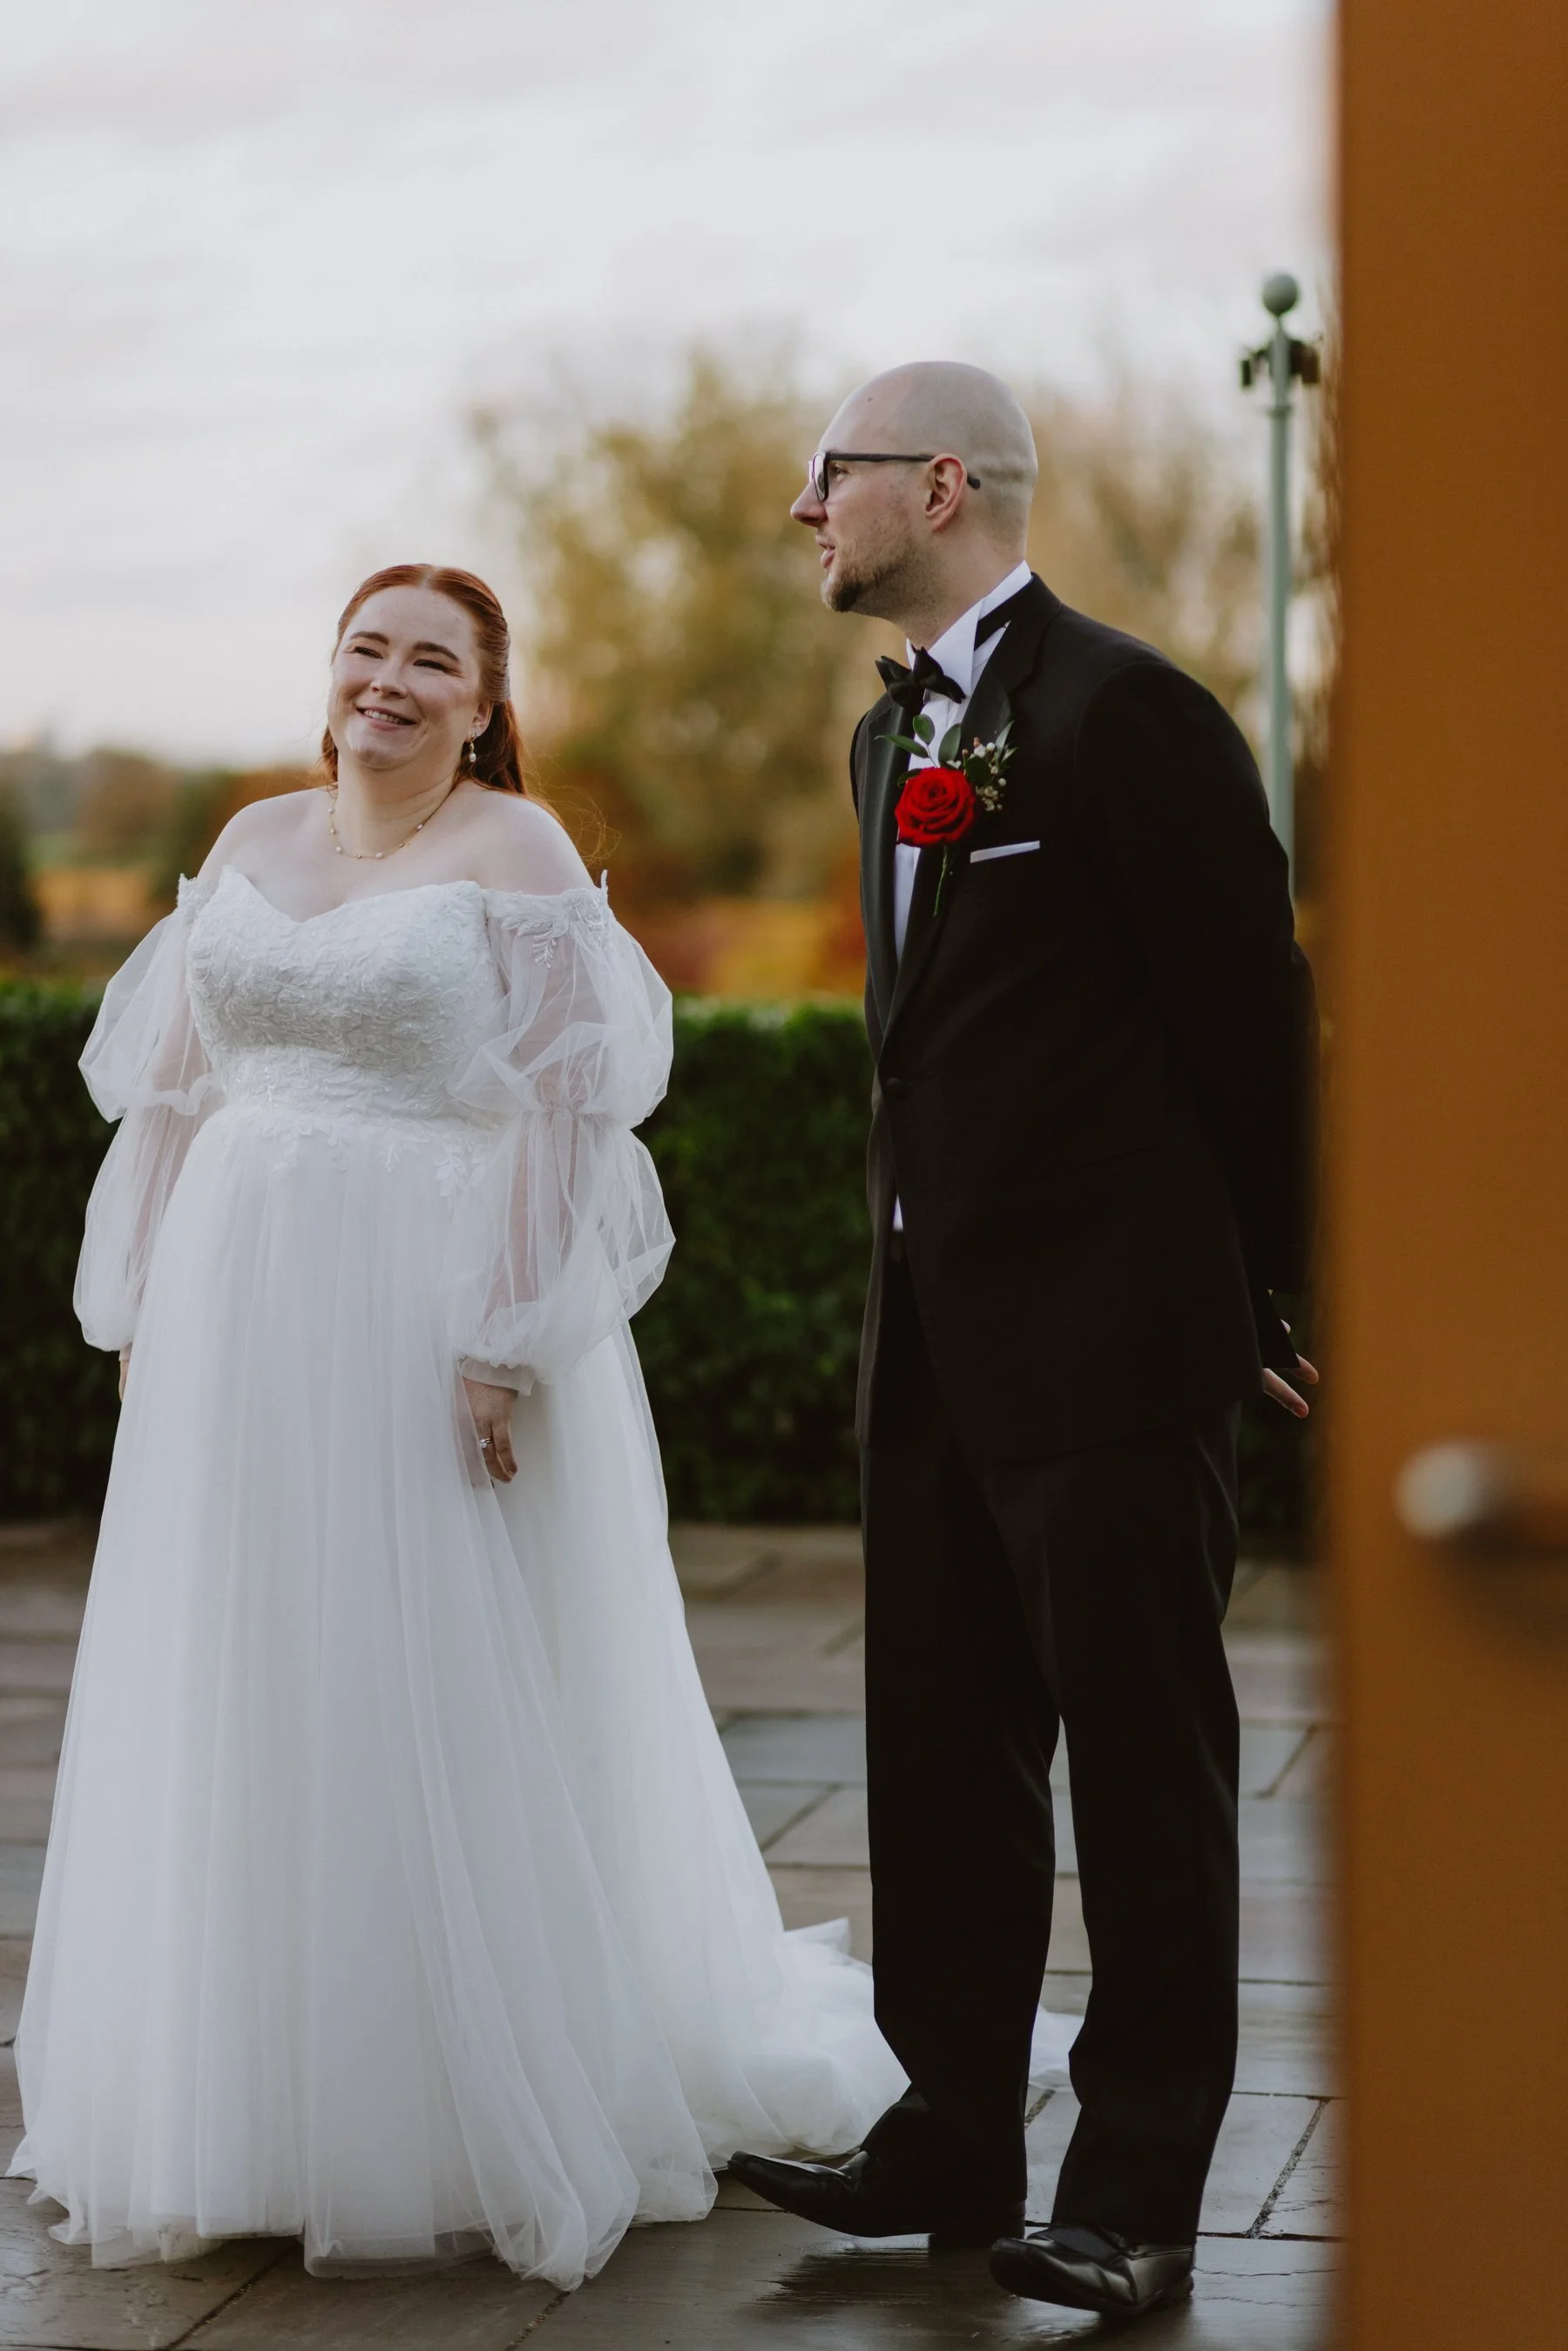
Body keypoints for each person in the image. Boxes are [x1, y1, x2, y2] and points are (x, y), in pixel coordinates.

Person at [8, 564, 906, 2287]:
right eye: (370, 647)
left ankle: (445, 2090)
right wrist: (140, 1317)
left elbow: (569, 1115)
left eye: (436, 660)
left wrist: (501, 1342)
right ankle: (243, 2089)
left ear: (489, 702)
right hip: (235, 1312)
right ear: (330, 669)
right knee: (243, 1666)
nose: (393, 680)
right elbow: (179, 1095)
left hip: (425, 1305)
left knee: (425, 1662)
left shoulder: (521, 854)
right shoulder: (254, 839)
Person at [727, 365, 1317, 2323]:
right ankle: (950, 2135)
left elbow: (1250, 1025)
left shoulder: (1127, 712)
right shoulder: (888, 738)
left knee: (1151, 1782)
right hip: (938, 1354)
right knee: (941, 1773)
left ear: (941, 482)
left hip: (1120, 1350)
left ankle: (1136, 2192)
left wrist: (1289, 1294)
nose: (811, 508)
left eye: (836, 475)